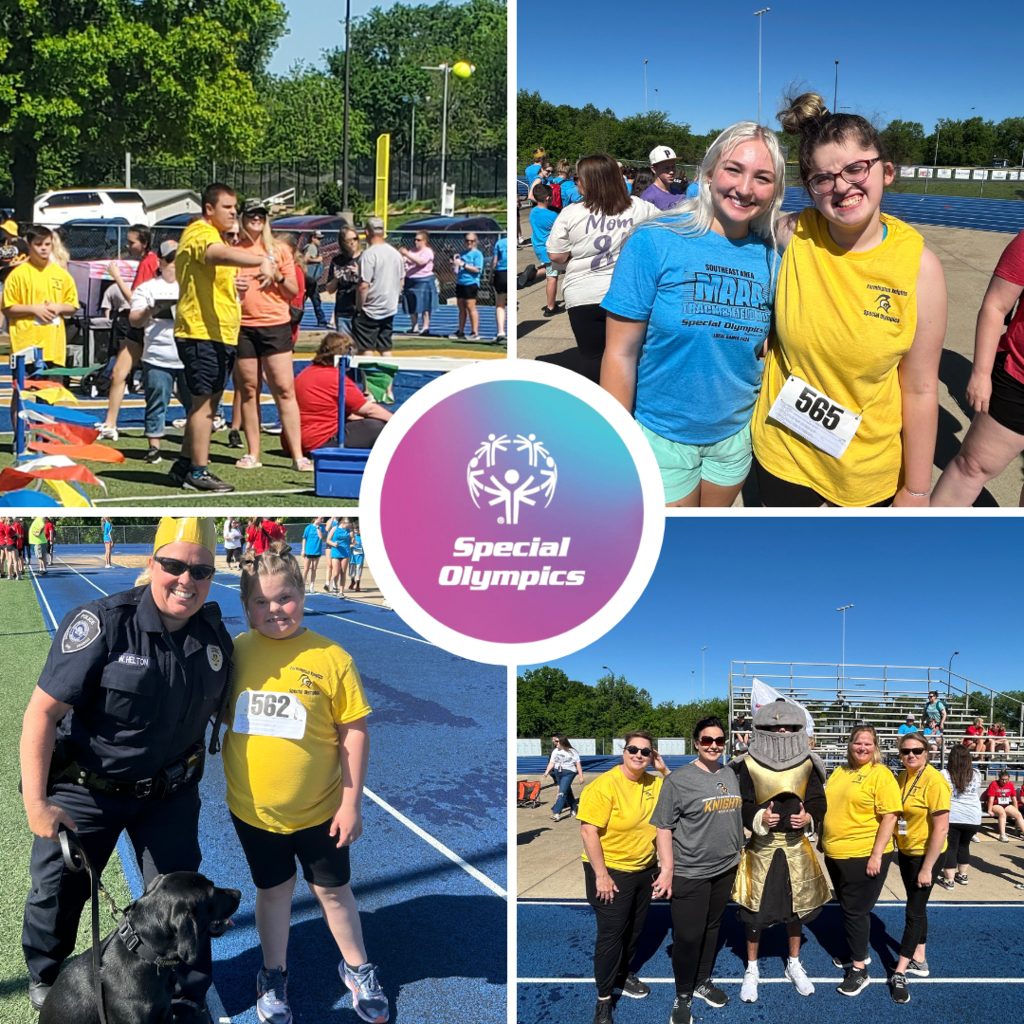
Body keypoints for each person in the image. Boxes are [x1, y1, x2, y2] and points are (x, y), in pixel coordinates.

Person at [18, 517, 233, 1019]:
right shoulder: (103, 623)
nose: (187, 579)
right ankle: (47, 976)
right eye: (174, 565)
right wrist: (36, 801)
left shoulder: (215, 638)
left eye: (201, 570)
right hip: (88, 791)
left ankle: (185, 993)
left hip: (169, 798)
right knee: (57, 893)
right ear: (151, 563)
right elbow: (41, 714)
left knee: (188, 900)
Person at [750, 93, 947, 507]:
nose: (842, 186)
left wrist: (916, 488)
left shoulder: (919, 268)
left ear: (886, 171)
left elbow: (921, 388)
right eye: (823, 178)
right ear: (810, 187)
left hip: (863, 471)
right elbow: (726, 221)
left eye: (856, 168)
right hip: (783, 455)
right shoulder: (793, 234)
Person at [223, 542, 389, 1024]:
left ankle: (358, 967)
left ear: (303, 591)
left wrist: (351, 803)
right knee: (273, 892)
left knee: (334, 892)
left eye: (285, 598)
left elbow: (353, 731)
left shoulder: (332, 658)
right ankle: (273, 976)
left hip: (321, 811)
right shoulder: (237, 653)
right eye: (261, 602)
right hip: (254, 812)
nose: (275, 609)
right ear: (247, 608)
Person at [602, 123, 785, 506]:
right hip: (660, 434)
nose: (745, 188)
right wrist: (615, 445)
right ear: (708, 174)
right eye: (733, 169)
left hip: (735, 436)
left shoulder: (774, 258)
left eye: (762, 177)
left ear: (776, 191)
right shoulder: (654, 241)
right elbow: (620, 353)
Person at [172, 183, 277, 493]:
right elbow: (215, 254)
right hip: (200, 332)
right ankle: (198, 471)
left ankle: (183, 464)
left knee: (206, 404)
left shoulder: (212, 234)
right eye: (228, 207)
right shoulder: (199, 233)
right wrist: (259, 260)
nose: (234, 212)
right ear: (209, 210)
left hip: (218, 333)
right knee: (205, 406)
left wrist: (235, 287)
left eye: (235, 207)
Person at [729, 700, 829, 1003]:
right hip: (761, 848)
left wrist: (809, 817)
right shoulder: (746, 763)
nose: (780, 730)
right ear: (760, 729)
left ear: (799, 728)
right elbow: (742, 802)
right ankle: (752, 968)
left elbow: (817, 800)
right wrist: (759, 818)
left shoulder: (810, 762)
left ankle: (794, 964)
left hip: (796, 847)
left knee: (797, 909)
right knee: (753, 912)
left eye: (787, 725)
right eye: (772, 726)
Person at [651, 717, 743, 1024]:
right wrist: (667, 870)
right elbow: (663, 828)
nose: (714, 746)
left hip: (726, 868)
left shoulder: (730, 772)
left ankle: (702, 980)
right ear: (696, 743)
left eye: (719, 741)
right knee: (688, 936)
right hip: (690, 871)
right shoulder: (678, 780)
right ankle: (683, 994)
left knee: (712, 927)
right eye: (707, 741)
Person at [577, 731, 670, 1024]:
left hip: (644, 870)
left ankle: (622, 974)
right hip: (611, 870)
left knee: (634, 931)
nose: (639, 755)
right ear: (624, 751)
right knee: (611, 935)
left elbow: (681, 791)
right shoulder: (604, 785)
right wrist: (600, 875)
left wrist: (664, 769)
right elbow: (587, 831)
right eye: (633, 749)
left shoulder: (655, 782)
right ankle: (604, 998)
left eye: (646, 751)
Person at [931, 228, 1024, 506]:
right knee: (972, 466)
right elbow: (995, 305)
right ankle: (925, 539)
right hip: (1018, 378)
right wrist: (981, 373)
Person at [546, 153, 658, 383]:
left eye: (579, 177)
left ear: (590, 180)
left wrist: (574, 256)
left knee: (592, 356)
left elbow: (555, 255)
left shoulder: (572, 213)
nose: (576, 181)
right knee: (630, 356)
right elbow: (665, 230)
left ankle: (598, 408)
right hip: (627, 292)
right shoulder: (640, 207)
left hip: (583, 293)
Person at [821, 726, 901, 997]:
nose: (862, 748)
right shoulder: (839, 771)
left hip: (863, 852)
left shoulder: (881, 774)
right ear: (850, 745)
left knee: (856, 911)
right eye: (858, 743)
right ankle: (858, 950)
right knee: (848, 907)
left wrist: (876, 854)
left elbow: (890, 816)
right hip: (835, 852)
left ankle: (859, 969)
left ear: (875, 747)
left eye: (868, 744)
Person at [232, 199, 310, 474]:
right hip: (242, 326)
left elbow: (291, 291)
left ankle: (298, 455)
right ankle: (253, 452)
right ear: (242, 218)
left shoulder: (279, 250)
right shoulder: (233, 250)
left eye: (260, 215)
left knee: (284, 390)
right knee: (249, 390)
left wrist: (276, 274)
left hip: (275, 325)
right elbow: (221, 285)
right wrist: (233, 284)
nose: (256, 219)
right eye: (251, 215)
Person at [889, 731, 950, 1003]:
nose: (910, 755)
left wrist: (927, 867)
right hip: (906, 851)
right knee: (918, 904)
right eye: (905, 751)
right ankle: (920, 958)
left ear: (927, 753)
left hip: (926, 855)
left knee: (913, 910)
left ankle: (900, 971)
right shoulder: (902, 777)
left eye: (916, 750)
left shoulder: (935, 781)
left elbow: (942, 828)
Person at [130, 238, 191, 466]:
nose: (174, 264)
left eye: (179, 259)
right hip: (157, 354)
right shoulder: (147, 288)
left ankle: (191, 447)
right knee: (156, 401)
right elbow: (134, 321)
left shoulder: (192, 285)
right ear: (161, 261)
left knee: (194, 405)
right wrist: (150, 309)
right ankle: (154, 447)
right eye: (170, 260)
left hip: (188, 354)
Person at [97, 225, 160, 442]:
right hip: (139, 326)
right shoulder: (147, 261)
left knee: (168, 376)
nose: (127, 245)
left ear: (143, 243)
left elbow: (135, 298)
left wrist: (117, 277)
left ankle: (206, 416)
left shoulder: (150, 261)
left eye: (132, 241)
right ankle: (110, 423)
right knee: (118, 372)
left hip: (145, 326)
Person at [292, 332, 393, 455]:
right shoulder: (335, 377)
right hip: (320, 441)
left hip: (296, 440)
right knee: (378, 426)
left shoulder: (306, 373)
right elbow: (369, 409)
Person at [2, 225, 79, 367]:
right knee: (25, 388)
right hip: (25, 348)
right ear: (29, 245)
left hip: (53, 350)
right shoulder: (18, 275)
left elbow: (73, 306)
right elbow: (8, 308)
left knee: (52, 388)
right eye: (38, 244)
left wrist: (59, 307)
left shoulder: (62, 275)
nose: (44, 248)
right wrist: (34, 309)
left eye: (47, 244)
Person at [351, 217, 403, 358]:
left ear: (367, 232)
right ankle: (388, 379)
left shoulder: (369, 255)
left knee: (366, 348)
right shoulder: (396, 254)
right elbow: (401, 280)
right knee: (385, 347)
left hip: (371, 308)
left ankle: (369, 379)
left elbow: (363, 285)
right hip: (389, 308)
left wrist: (359, 307)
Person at [939, 743, 983, 889]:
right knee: (964, 846)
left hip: (953, 815)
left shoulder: (945, 774)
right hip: (973, 816)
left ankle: (949, 879)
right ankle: (963, 875)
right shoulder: (976, 774)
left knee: (951, 847)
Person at [526, 184, 559, 315]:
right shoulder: (552, 216)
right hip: (549, 249)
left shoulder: (533, 212)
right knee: (552, 277)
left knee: (557, 268)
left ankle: (533, 274)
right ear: (547, 198)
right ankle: (551, 307)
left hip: (538, 247)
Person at [323, 226, 361, 336]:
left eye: (355, 239)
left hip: (361, 311)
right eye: (349, 240)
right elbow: (329, 290)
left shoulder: (365, 258)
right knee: (344, 347)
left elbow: (373, 284)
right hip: (343, 310)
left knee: (361, 348)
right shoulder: (337, 261)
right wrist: (336, 279)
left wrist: (359, 274)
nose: (353, 243)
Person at [397, 231, 436, 336]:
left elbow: (420, 262)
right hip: (410, 280)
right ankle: (414, 327)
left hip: (423, 280)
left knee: (425, 305)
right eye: (415, 239)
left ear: (424, 241)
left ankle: (425, 327)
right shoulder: (412, 251)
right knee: (411, 304)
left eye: (418, 240)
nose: (416, 242)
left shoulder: (427, 251)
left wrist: (406, 254)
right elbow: (404, 260)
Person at [451, 233, 485, 340]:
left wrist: (464, 265)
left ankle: (475, 332)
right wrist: (454, 265)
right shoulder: (462, 253)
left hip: (471, 283)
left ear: (475, 241)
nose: (469, 243)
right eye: (467, 240)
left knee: (471, 307)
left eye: (471, 240)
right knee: (461, 308)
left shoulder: (477, 254)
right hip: (460, 282)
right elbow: (458, 269)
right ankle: (460, 331)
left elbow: (477, 269)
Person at [543, 735, 584, 822]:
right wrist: (547, 771)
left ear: (562, 741)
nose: (555, 743)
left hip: (569, 772)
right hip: (558, 772)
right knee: (567, 791)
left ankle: (557, 813)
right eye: (554, 741)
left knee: (561, 792)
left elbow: (578, 764)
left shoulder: (572, 751)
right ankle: (574, 807)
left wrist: (581, 776)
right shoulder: (555, 751)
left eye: (557, 741)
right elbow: (552, 762)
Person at [641, 146, 686, 211]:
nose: (671, 172)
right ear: (654, 169)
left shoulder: (680, 195)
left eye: (673, 167)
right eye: (666, 168)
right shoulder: (648, 197)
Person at [986, 770, 1024, 842]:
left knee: (1018, 815)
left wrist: (1016, 809)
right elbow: (991, 798)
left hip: (1005, 804)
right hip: (995, 804)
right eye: (1002, 780)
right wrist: (989, 810)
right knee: (1002, 813)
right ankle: (1002, 834)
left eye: (1006, 780)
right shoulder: (994, 784)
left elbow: (1014, 798)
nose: (1004, 781)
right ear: (999, 778)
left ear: (1009, 779)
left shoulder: (1010, 785)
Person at [326, 519, 351, 596]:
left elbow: (353, 542)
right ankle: (335, 586)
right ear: (343, 522)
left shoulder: (349, 531)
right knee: (336, 573)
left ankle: (341, 591)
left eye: (349, 524)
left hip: (345, 553)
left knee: (343, 572)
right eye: (347, 524)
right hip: (336, 553)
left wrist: (353, 538)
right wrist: (333, 544)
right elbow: (328, 540)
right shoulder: (334, 529)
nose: (348, 526)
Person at [302, 516, 326, 594]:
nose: (322, 520)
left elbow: (321, 536)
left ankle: (311, 586)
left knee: (314, 569)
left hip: (317, 551)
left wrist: (318, 527)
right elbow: (304, 538)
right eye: (321, 518)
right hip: (308, 551)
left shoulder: (322, 527)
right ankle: (302, 586)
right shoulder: (308, 527)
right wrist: (303, 549)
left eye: (323, 518)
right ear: (316, 518)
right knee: (306, 569)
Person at [492, 233, 508, 341]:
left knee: (500, 305)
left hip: (501, 273)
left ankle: (501, 332)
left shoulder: (500, 243)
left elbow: (494, 261)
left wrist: (491, 275)